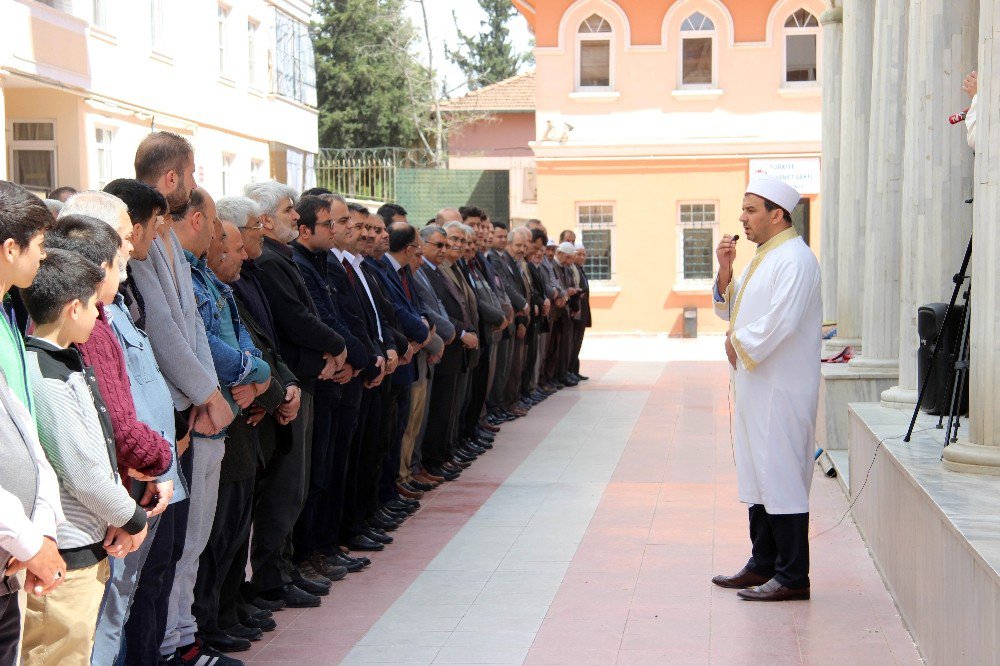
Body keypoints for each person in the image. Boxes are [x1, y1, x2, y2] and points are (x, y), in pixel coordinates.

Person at [21, 249, 148, 664]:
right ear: (73, 307)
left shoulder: (62, 360)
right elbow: (82, 469)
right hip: (67, 555)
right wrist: (132, 517)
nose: (99, 313)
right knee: (58, 653)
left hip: (87, 540)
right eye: (93, 304)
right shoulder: (46, 375)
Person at [711, 176, 821, 602]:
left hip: (782, 389)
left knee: (780, 475)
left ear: (778, 215)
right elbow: (732, 309)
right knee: (758, 473)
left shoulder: (795, 259)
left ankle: (793, 576)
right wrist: (724, 271)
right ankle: (763, 564)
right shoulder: (766, 256)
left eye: (751, 209)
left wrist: (737, 343)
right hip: (758, 385)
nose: (742, 217)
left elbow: (783, 321)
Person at [0, 182, 63, 666]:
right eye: (39, 245)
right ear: (9, 248)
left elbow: (23, 430)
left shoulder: (6, 314)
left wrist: (39, 530)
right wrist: (26, 539)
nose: (44, 257)